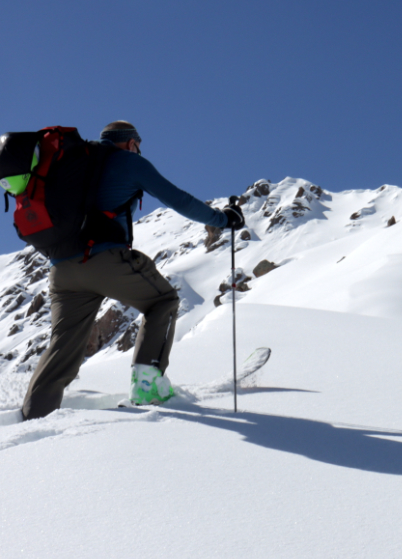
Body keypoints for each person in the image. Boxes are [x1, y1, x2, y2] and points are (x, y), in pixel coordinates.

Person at [20, 121, 243, 419]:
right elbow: (178, 199)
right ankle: (148, 389)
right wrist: (223, 219)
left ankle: (34, 414)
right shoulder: (128, 162)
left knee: (62, 346)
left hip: (62, 270)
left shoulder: (71, 165)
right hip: (103, 259)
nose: (138, 150)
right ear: (130, 142)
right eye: (138, 145)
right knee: (162, 301)